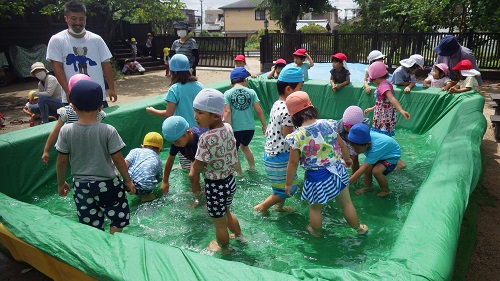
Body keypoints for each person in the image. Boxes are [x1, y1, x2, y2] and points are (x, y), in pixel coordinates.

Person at [55, 80, 135, 234]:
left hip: (81, 186)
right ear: (100, 107)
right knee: (118, 217)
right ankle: (113, 244)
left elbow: (62, 160)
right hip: (107, 184)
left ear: (73, 106)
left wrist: (60, 183)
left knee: (90, 225)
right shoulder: (108, 130)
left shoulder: (66, 131)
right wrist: (128, 180)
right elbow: (118, 159)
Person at [284, 91, 368, 237]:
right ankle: (358, 228)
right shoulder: (328, 124)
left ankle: (316, 232)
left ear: (293, 116)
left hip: (317, 177)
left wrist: (288, 184)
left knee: (315, 209)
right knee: (346, 204)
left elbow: (292, 163)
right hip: (337, 170)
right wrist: (348, 160)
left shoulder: (297, 137)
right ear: (311, 108)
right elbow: (341, 145)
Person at [190, 88, 245, 252]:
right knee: (227, 212)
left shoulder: (205, 138)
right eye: (195, 112)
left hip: (215, 187)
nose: (195, 116)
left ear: (214, 115)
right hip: (230, 182)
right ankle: (240, 236)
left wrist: (195, 185)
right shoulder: (228, 127)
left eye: (200, 113)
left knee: (219, 223)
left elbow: (197, 168)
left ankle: (224, 248)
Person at [46, 0, 117, 108]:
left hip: (97, 98)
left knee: (100, 124)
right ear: (66, 18)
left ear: (85, 19)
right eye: (73, 18)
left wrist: (111, 88)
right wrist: (67, 91)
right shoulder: (57, 40)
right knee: (72, 125)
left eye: (81, 19)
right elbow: (57, 68)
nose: (78, 22)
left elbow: (106, 64)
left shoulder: (96, 39)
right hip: (72, 98)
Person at [253, 65, 303, 213]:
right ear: (289, 89)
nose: (302, 91)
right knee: (288, 189)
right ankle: (261, 208)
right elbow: (288, 135)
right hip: (280, 157)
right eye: (300, 88)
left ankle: (278, 208)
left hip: (272, 153)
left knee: (282, 186)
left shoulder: (278, 104)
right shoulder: (288, 110)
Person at [146, 54, 204, 170]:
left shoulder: (175, 89)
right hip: (201, 132)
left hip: (183, 134)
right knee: (202, 165)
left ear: (174, 73)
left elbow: (168, 113)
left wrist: (153, 111)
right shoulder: (199, 86)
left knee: (188, 168)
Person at [41, 74, 106, 165]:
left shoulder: (66, 111)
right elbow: (56, 131)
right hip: (86, 149)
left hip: (81, 150)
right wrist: (46, 149)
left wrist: (46, 150)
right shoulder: (99, 112)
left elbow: (56, 131)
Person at [365, 61, 410, 169]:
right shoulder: (385, 83)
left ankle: (397, 162)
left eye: (372, 79)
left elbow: (391, 98)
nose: (372, 82)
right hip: (382, 117)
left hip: (384, 119)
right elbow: (382, 102)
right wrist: (372, 108)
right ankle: (384, 158)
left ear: (376, 77)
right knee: (381, 139)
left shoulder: (383, 86)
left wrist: (401, 110)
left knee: (383, 140)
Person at [223, 67, 267, 174]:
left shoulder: (227, 93)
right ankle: (252, 167)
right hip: (250, 129)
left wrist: (227, 129)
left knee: (234, 152)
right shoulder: (251, 92)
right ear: (245, 80)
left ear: (231, 81)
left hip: (236, 129)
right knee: (245, 146)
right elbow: (259, 110)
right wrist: (264, 125)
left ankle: (239, 173)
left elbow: (227, 112)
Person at [161, 116, 207, 206]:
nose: (175, 145)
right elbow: (170, 159)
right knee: (192, 176)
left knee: (206, 179)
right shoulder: (177, 141)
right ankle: (198, 200)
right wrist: (165, 181)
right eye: (173, 142)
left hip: (209, 159)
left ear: (188, 132)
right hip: (196, 159)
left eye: (177, 142)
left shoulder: (201, 138)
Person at [348, 123, 401, 197]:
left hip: (391, 156)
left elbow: (362, 168)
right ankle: (368, 187)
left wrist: (348, 183)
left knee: (376, 171)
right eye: (352, 147)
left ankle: (386, 190)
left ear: (368, 144)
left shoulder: (374, 149)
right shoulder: (363, 137)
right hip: (383, 151)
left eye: (357, 148)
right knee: (368, 169)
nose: (354, 150)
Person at [125, 132, 164, 203]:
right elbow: (160, 178)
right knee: (151, 194)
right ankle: (145, 197)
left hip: (127, 183)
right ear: (159, 150)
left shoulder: (135, 151)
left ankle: (137, 193)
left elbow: (124, 165)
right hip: (144, 188)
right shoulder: (158, 160)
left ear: (142, 146)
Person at [337, 106, 371, 174]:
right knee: (340, 158)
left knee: (354, 158)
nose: (349, 129)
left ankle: (355, 174)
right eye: (346, 126)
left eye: (352, 127)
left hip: (354, 142)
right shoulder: (341, 125)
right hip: (344, 140)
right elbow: (337, 136)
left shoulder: (364, 125)